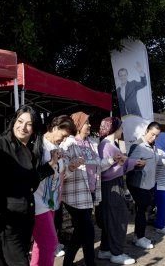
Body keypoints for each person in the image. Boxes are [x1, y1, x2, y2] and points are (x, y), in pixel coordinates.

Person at [0, 105, 57, 266]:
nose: (23, 127)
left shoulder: (31, 151)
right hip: (6, 220)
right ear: (14, 121)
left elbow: (31, 182)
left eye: (28, 124)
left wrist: (50, 166)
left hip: (25, 218)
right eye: (20, 121)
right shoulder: (3, 143)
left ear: (34, 128)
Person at [60, 111, 121, 266]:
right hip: (74, 196)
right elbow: (62, 170)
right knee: (88, 231)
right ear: (78, 124)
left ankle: (67, 262)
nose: (89, 125)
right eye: (86, 122)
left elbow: (99, 164)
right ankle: (90, 263)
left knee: (80, 231)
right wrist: (72, 166)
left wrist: (112, 159)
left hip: (89, 193)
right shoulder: (68, 143)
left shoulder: (91, 143)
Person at [30, 115, 76, 266]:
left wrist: (69, 168)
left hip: (51, 202)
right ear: (55, 127)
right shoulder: (38, 146)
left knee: (41, 244)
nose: (63, 140)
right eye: (64, 135)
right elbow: (32, 176)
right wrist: (51, 163)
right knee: (50, 244)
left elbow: (58, 175)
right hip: (38, 203)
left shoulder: (56, 148)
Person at [96, 117, 136, 265]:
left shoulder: (109, 144)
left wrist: (130, 162)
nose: (122, 131)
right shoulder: (106, 145)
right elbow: (104, 170)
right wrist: (124, 162)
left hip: (113, 184)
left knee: (112, 218)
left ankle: (106, 250)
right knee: (118, 219)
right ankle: (116, 253)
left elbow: (117, 166)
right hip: (111, 185)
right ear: (114, 128)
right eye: (120, 128)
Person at [126, 122, 165, 249]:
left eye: (156, 136)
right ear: (147, 131)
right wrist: (137, 164)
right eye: (152, 134)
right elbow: (128, 164)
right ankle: (139, 238)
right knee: (142, 210)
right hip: (138, 184)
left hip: (149, 184)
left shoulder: (153, 147)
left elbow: (157, 160)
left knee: (145, 210)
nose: (154, 138)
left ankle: (139, 236)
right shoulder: (138, 145)